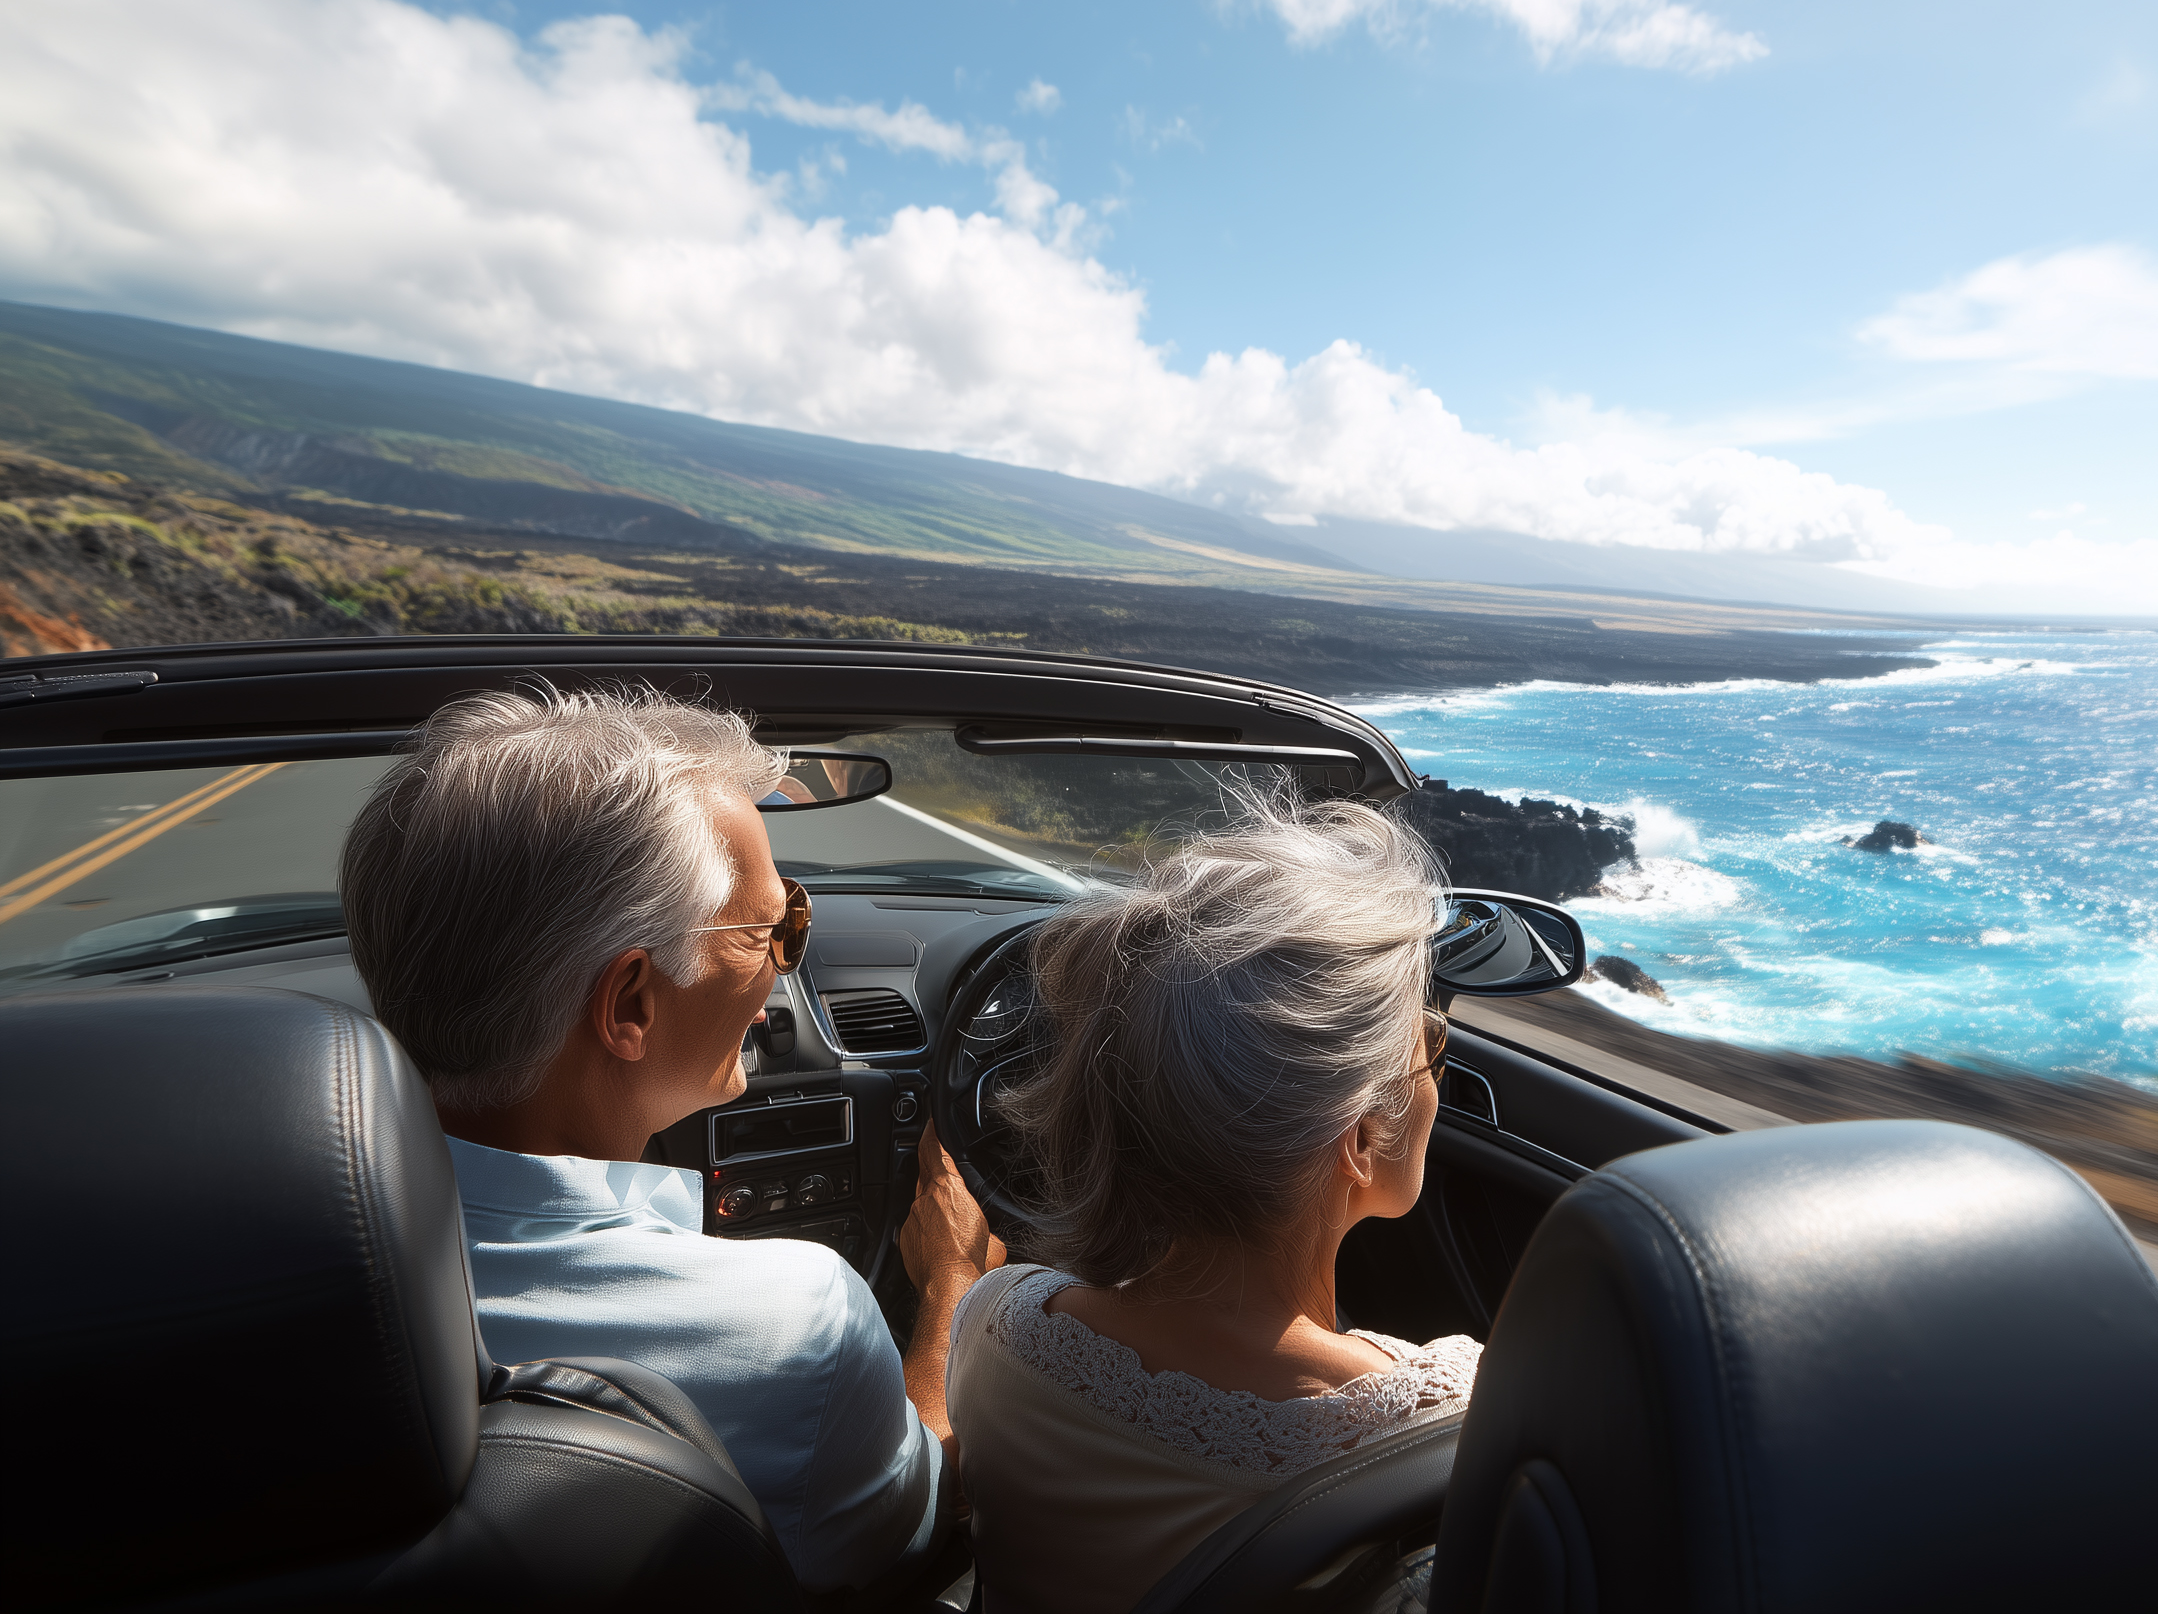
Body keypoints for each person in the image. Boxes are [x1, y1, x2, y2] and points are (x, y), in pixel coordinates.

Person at [340, 684, 1001, 1596]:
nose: (781, 969)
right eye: (777, 929)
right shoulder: (795, 1320)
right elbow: (919, 1524)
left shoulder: (231, 1275)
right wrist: (954, 1284)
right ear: (631, 1004)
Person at [944, 794, 1479, 1614]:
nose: (1437, 1071)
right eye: (1427, 1050)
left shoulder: (995, 1328)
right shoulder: (1455, 1420)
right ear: (1364, 1137)